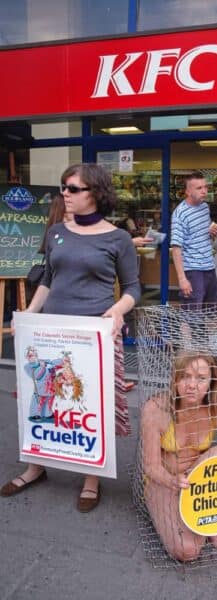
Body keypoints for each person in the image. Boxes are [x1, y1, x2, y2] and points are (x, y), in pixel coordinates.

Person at [1, 163, 141, 512]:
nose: (65, 193)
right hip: (52, 331)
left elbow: (133, 288)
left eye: (73, 188)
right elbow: (47, 279)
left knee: (88, 405)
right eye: (64, 187)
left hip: (92, 334)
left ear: (95, 193)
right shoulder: (55, 233)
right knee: (43, 399)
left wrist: (119, 309)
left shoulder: (118, 238)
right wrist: (29, 313)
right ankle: (36, 466)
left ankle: (91, 477)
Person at [141, 352, 217, 561]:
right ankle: (196, 517)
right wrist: (171, 480)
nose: (192, 385)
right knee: (187, 551)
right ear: (175, 379)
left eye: (201, 378)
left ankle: (203, 512)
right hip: (163, 481)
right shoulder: (156, 408)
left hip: (199, 481)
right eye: (185, 376)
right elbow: (151, 467)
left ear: (212, 380)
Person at [171, 171, 217, 309]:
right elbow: (176, 248)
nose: (204, 191)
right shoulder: (180, 214)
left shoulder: (205, 207)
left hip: (209, 267)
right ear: (187, 191)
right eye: (199, 188)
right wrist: (182, 279)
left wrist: (212, 232)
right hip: (192, 271)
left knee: (214, 314)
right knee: (190, 317)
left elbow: (203, 235)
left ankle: (213, 332)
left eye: (205, 187)